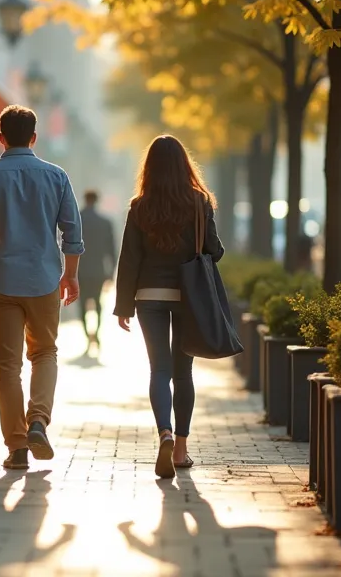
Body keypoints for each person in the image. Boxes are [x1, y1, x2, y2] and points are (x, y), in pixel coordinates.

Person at [0, 104, 84, 470]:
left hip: (1, 281)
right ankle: (38, 421)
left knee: (7, 365)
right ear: (34, 137)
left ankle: (16, 447)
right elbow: (72, 232)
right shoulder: (56, 176)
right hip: (45, 279)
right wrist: (71, 274)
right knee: (45, 352)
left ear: (0, 138)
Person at [113, 135, 224, 479]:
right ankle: (180, 449)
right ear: (183, 165)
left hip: (148, 297)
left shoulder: (139, 206)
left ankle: (162, 430)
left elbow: (129, 258)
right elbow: (215, 251)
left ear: (150, 168)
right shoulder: (199, 203)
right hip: (187, 296)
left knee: (158, 370)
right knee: (183, 372)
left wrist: (122, 306)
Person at [77, 190, 117, 348]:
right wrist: (111, 273)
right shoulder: (105, 222)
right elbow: (112, 250)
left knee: (82, 304)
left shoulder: (77, 220)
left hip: (80, 270)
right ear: (97, 200)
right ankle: (97, 333)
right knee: (98, 303)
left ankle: (88, 335)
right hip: (99, 270)